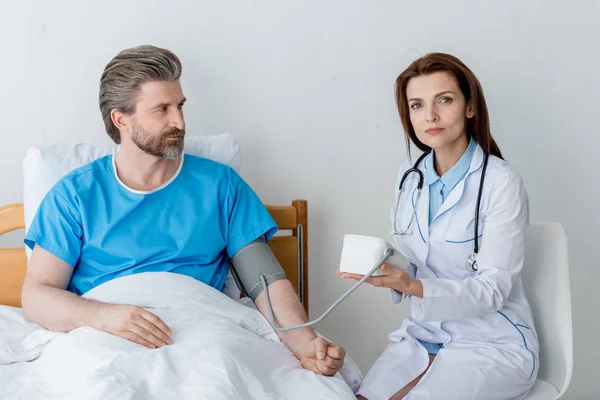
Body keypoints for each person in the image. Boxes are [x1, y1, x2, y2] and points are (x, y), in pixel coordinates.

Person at [21, 44, 344, 377]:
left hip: (203, 330)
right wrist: (104, 317)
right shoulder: (75, 195)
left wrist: (304, 341)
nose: (179, 121)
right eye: (162, 109)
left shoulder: (220, 186)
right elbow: (36, 296)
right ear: (122, 119)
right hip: (102, 334)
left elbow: (266, 282)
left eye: (180, 105)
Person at [339, 53, 538, 399]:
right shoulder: (409, 176)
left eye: (444, 100)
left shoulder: (501, 183)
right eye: (417, 105)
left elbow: (493, 290)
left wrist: (413, 286)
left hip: (491, 342)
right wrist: (387, 269)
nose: (430, 115)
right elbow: (419, 258)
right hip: (423, 333)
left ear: (470, 107)